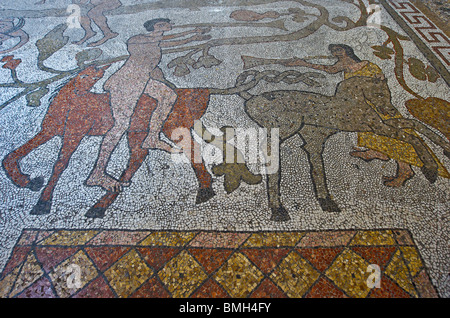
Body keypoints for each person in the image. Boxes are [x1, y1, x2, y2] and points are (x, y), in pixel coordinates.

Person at [284, 44, 449, 186]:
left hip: (376, 102)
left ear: (347, 50)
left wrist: (382, 94)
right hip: (362, 103)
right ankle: (378, 151)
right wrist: (303, 63)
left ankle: (405, 169)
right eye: (333, 51)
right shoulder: (341, 65)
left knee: (394, 133)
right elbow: (327, 69)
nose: (336, 53)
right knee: (369, 129)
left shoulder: (368, 66)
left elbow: (380, 88)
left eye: (338, 49)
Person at [86, 18, 211, 192]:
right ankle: (97, 173)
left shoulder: (157, 44)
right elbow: (167, 40)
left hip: (144, 80)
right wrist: (189, 34)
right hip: (126, 82)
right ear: (156, 27)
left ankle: (152, 137)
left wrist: (193, 37)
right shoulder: (138, 39)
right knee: (120, 125)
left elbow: (172, 42)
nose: (167, 28)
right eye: (163, 26)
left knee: (168, 95)